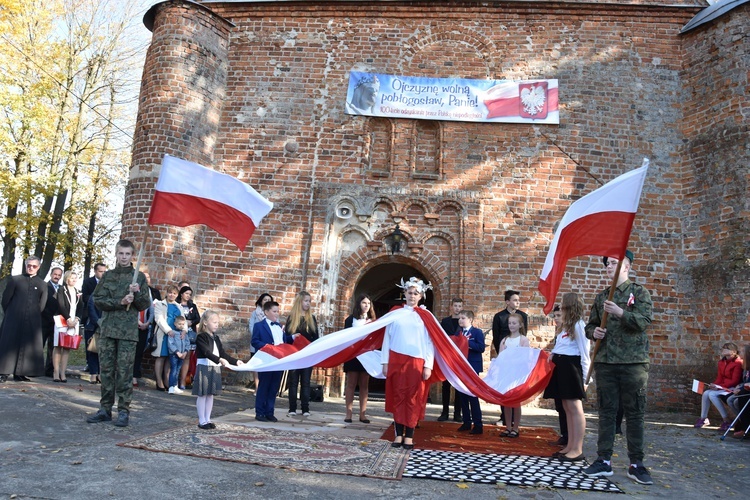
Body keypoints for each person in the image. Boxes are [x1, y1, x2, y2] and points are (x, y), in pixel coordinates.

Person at [583, 250, 654, 485]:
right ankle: (603, 460)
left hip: (633, 363)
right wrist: (595, 332)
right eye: (607, 264)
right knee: (606, 412)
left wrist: (621, 312)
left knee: (634, 413)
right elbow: (589, 325)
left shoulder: (639, 292)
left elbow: (644, 322)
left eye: (615, 263)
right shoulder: (602, 296)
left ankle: (637, 463)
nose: (610, 267)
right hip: (606, 362)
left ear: (627, 266)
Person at [86, 239, 150, 427]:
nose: (124, 257)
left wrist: (137, 293)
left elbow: (145, 304)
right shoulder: (108, 276)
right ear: (116, 254)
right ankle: (105, 409)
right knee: (106, 372)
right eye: (121, 253)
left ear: (132, 256)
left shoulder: (138, 278)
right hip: (107, 330)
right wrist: (119, 302)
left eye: (127, 254)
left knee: (124, 372)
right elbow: (97, 299)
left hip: (128, 332)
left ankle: (123, 411)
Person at [382, 277, 436, 450]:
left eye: (416, 293)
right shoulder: (395, 313)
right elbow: (386, 338)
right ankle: (398, 435)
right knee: (398, 396)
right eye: (409, 292)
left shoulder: (426, 316)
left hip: (416, 361)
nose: (412, 296)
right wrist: (385, 361)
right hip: (396, 359)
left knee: (413, 398)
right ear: (404, 293)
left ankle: (409, 437)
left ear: (421, 296)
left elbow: (430, 342)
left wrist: (428, 365)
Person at [543, 292, 591, 462]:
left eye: (563, 305)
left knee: (574, 407)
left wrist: (586, 379)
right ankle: (570, 445)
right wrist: (553, 354)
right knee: (566, 407)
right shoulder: (565, 327)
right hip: (561, 367)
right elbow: (562, 346)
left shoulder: (579, 325)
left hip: (571, 368)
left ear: (569, 306)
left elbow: (585, 354)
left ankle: (577, 449)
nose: (560, 308)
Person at [0, 256, 47, 383]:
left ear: (39, 267)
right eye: (29, 265)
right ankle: (3, 372)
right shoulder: (15, 280)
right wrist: (11, 313)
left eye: (34, 266)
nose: (31, 268)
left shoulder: (42, 284)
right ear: (26, 265)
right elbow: (5, 300)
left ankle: (20, 373)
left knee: (27, 346)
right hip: (13, 318)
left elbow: (42, 305)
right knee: (9, 344)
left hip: (32, 320)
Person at [193, 310, 243, 429]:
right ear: (205, 323)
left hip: (214, 368)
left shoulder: (216, 338)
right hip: (204, 367)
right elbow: (207, 352)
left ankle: (208, 418)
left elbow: (222, 354)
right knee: (202, 395)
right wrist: (219, 360)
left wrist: (236, 361)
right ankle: (202, 420)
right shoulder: (201, 337)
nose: (217, 324)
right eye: (214, 322)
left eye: (217, 322)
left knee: (210, 394)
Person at [252, 300, 294, 422]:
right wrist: (268, 348)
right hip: (266, 360)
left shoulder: (280, 326)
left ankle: (270, 411)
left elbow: (284, 340)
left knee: (274, 387)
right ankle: (259, 412)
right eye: (274, 311)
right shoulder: (259, 326)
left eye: (278, 311)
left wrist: (292, 338)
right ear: (266, 312)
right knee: (264, 386)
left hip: (278, 360)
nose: (277, 314)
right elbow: (255, 341)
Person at [694, 342, 743, 432]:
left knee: (712, 395)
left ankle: (726, 420)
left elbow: (735, 381)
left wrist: (719, 387)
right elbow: (720, 378)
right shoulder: (721, 362)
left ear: (733, 351)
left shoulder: (738, 363)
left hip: (732, 388)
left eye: (726, 348)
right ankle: (703, 418)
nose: (723, 350)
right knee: (706, 393)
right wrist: (714, 384)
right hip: (722, 387)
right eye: (723, 348)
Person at [343, 293, 376, 423]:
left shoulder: (373, 321)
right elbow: (345, 338)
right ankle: (348, 414)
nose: (366, 306)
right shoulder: (350, 320)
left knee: (364, 385)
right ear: (358, 304)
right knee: (351, 384)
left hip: (366, 355)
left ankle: (363, 414)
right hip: (353, 355)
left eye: (368, 303)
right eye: (364, 303)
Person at [285, 291, 319, 417]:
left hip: (307, 355)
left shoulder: (312, 318)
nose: (308, 303)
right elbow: (287, 337)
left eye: (309, 301)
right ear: (300, 302)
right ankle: (292, 408)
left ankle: (305, 409)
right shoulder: (292, 318)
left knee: (305, 382)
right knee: (293, 382)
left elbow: (316, 338)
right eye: (306, 301)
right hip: (294, 355)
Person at [497, 313, 530, 438]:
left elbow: (525, 357)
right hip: (506, 373)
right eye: (510, 323)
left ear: (520, 325)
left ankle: (515, 428)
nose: (511, 325)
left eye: (514, 323)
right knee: (506, 401)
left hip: (517, 374)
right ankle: (508, 427)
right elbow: (500, 357)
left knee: (516, 402)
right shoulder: (505, 340)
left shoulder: (523, 340)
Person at [455, 310, 485, 435]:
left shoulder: (477, 332)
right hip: (461, 367)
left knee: (473, 395)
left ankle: (478, 424)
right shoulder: (458, 332)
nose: (460, 320)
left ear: (470, 320)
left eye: (463, 318)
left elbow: (481, 348)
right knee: (462, 395)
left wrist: (467, 342)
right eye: (459, 318)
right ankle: (466, 421)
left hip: (472, 366)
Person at [53, 270, 83, 383]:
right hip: (62, 320)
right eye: (72, 278)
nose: (74, 280)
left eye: (75, 278)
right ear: (67, 279)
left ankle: (63, 372)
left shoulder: (78, 291)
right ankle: (55, 372)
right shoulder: (61, 290)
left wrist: (76, 319)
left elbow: (81, 307)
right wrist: (68, 319)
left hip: (74, 322)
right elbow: (61, 305)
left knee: (67, 347)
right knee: (58, 346)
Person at [151, 285, 181, 391]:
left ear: (177, 295)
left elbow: (183, 320)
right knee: (161, 356)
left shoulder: (179, 306)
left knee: (170, 357)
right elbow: (159, 319)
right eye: (170, 292)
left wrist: (184, 331)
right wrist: (168, 330)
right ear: (167, 293)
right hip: (164, 334)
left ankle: (166, 380)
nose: (172, 295)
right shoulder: (160, 304)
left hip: (175, 336)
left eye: (174, 293)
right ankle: (159, 381)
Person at [438, 297, 463, 422]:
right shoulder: (445, 321)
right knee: (446, 385)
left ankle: (457, 413)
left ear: (462, 308)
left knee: (458, 385)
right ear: (451, 307)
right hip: (448, 357)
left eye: (459, 306)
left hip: (459, 358)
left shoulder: (464, 321)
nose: (457, 308)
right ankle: (445, 412)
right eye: (455, 305)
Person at [548, 305, 568, 446]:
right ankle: (564, 434)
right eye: (554, 316)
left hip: (567, 372)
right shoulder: (559, 333)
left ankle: (569, 436)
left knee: (567, 406)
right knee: (559, 405)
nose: (556, 319)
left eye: (558, 316)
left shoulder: (572, 332)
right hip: (558, 371)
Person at [132, 271, 155, 387]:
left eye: (148, 278)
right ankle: (129, 376)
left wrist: (147, 323)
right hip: (133, 326)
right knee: (131, 352)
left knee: (139, 353)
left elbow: (151, 309)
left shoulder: (149, 292)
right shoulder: (133, 289)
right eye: (144, 277)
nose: (146, 280)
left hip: (144, 326)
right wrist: (137, 321)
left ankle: (135, 375)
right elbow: (131, 307)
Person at [248, 293, 273, 389]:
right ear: (261, 301)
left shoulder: (272, 313)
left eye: (269, 300)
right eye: (265, 300)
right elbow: (251, 326)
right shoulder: (255, 313)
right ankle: (257, 387)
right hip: (257, 342)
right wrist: (257, 337)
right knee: (256, 366)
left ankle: (265, 387)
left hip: (268, 344)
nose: (267, 301)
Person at [41, 266, 63, 377]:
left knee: (53, 347)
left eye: (59, 275)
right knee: (40, 345)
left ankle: (49, 369)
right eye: (55, 274)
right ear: (51, 274)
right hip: (44, 320)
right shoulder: (44, 286)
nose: (57, 277)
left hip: (57, 322)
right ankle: (36, 368)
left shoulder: (62, 288)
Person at [177, 285, 200, 389]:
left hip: (190, 334)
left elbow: (198, 318)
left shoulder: (192, 306)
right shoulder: (177, 304)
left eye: (190, 294)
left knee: (187, 357)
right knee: (176, 356)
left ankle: (183, 381)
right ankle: (173, 380)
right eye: (186, 293)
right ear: (181, 294)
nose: (188, 296)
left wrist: (191, 322)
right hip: (178, 333)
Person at [728, 346, 750, 438]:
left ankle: (745, 427)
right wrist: (739, 387)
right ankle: (743, 423)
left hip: (747, 391)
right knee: (731, 400)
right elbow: (745, 381)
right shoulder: (746, 366)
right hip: (745, 389)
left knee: (738, 400)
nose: (740, 353)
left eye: (742, 352)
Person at [167, 316, 190, 394]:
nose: (181, 325)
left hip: (182, 354)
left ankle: (175, 386)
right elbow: (170, 344)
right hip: (174, 354)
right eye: (179, 324)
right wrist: (177, 352)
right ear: (175, 324)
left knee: (177, 370)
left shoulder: (184, 334)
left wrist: (185, 352)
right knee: (173, 370)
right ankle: (171, 387)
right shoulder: (173, 333)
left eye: (183, 324)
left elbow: (187, 343)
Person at [84, 295, 101, 384]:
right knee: (92, 350)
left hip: (105, 327)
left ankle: (100, 374)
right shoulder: (94, 295)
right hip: (92, 327)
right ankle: (93, 374)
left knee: (102, 352)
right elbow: (91, 309)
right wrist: (98, 322)